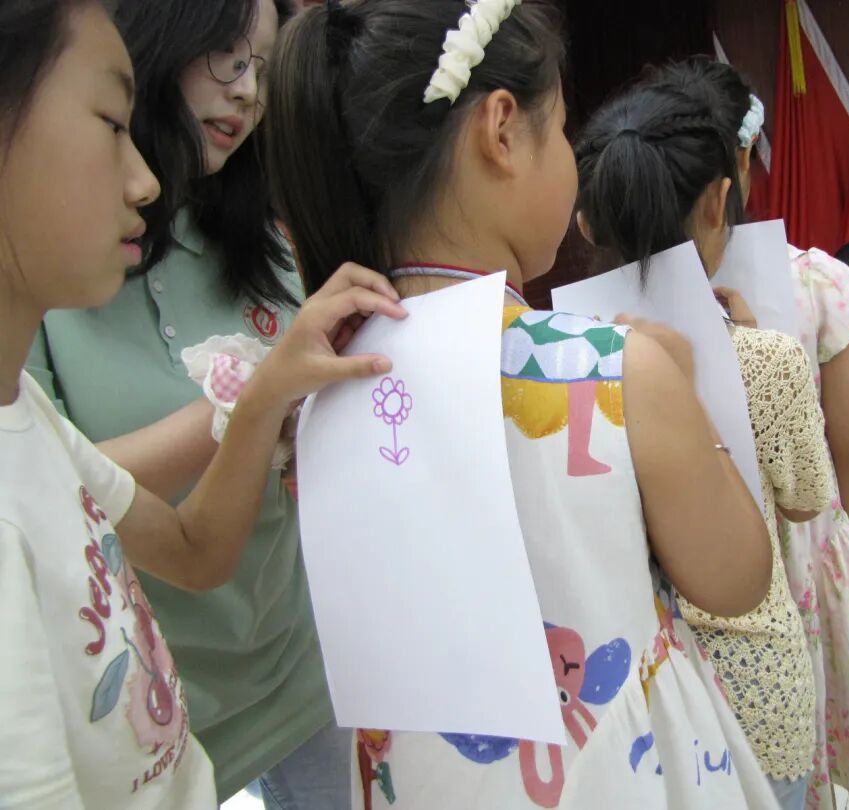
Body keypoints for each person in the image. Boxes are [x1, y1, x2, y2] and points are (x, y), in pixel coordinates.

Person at [264, 1, 780, 807]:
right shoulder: (618, 370)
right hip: (614, 772)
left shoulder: (315, 392)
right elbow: (739, 577)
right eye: (562, 129)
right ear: (501, 131)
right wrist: (687, 396)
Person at [0, 0, 404, 805]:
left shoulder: (35, 427)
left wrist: (273, 398)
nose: (248, 92)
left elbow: (194, 545)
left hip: (297, 667)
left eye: (262, 67)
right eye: (110, 123)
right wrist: (246, 401)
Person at [574, 65, 836, 810]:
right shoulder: (770, 361)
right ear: (720, 201)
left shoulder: (559, 365)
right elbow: (806, 501)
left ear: (587, 223)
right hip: (756, 692)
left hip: (625, 695)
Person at [650, 57, 849, 810]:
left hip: (680, 573)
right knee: (794, 747)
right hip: (796, 557)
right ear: (740, 165)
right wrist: (816, 533)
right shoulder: (814, 279)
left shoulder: (614, 302)